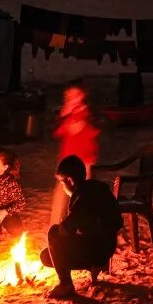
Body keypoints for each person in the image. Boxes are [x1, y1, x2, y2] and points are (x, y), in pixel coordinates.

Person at [40, 155, 123, 299]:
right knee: (47, 256)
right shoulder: (95, 187)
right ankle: (94, 265)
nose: (62, 186)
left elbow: (67, 230)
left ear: (70, 181)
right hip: (108, 245)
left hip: (98, 250)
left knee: (53, 233)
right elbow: (117, 221)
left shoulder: (82, 197)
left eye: (61, 182)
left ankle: (66, 284)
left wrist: (64, 226)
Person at [50, 80, 99, 227]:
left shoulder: (83, 112)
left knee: (82, 194)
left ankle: (84, 225)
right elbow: (59, 131)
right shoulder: (68, 114)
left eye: (74, 95)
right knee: (60, 195)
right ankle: (55, 226)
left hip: (83, 161)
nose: (70, 99)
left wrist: (69, 114)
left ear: (82, 96)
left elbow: (77, 128)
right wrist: (65, 114)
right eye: (68, 96)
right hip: (67, 161)